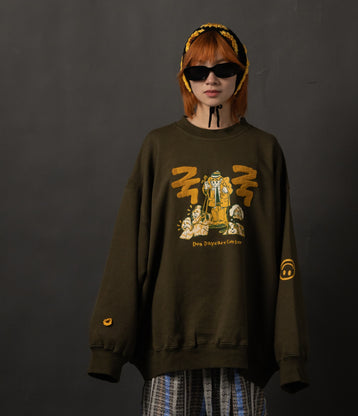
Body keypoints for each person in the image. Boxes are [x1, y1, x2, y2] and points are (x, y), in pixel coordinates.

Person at [87, 23, 310, 415]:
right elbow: (128, 247)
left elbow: (283, 253)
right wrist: (109, 344)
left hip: (242, 343)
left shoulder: (264, 150)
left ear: (241, 75)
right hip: (169, 339)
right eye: (198, 70)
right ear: (185, 78)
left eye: (224, 68)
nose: (211, 79)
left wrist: (290, 353)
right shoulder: (159, 147)